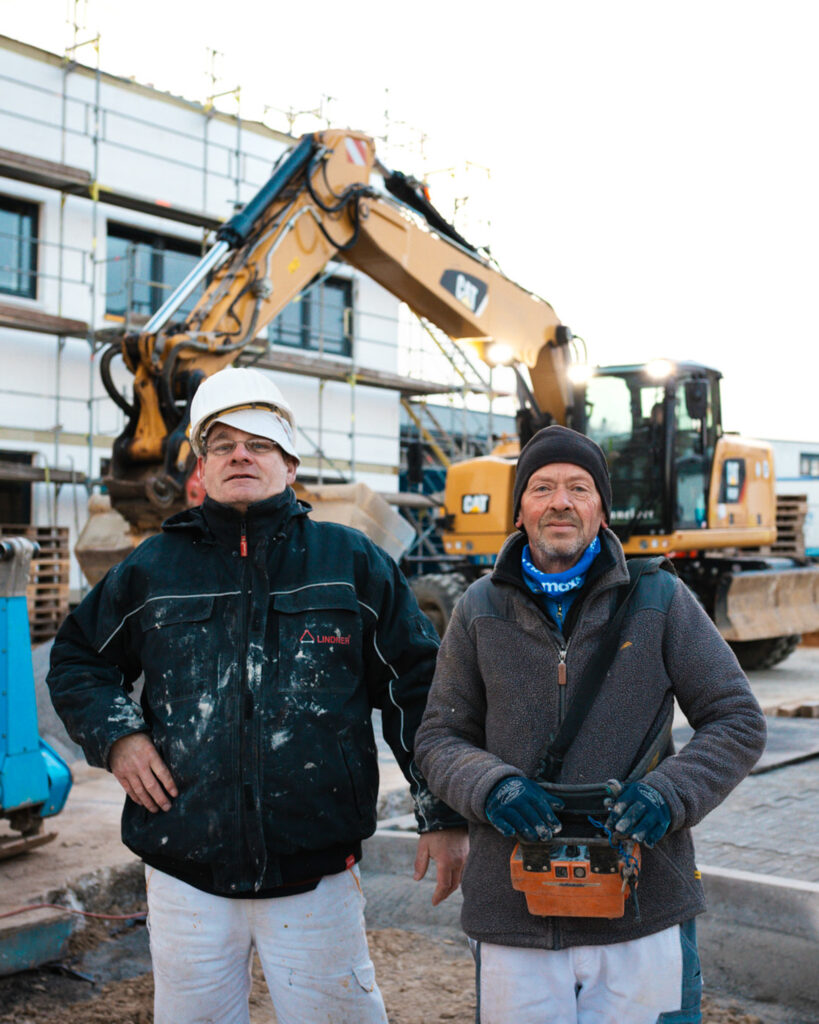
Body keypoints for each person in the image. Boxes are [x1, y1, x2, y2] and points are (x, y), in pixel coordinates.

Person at [48, 366, 468, 1024]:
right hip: (184, 869)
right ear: (201, 467)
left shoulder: (350, 562)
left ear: (290, 463)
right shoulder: (152, 568)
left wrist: (440, 813)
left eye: (260, 443)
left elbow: (418, 690)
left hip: (316, 874)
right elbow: (77, 658)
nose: (240, 455)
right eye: (222, 444)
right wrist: (119, 737)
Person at [414, 424, 766, 1024]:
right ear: (519, 509)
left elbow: (737, 720)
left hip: (643, 904)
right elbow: (440, 736)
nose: (560, 502)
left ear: (602, 509)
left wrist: (668, 794)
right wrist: (491, 786)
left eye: (579, 488)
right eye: (542, 488)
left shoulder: (660, 599)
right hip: (513, 909)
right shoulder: (478, 608)